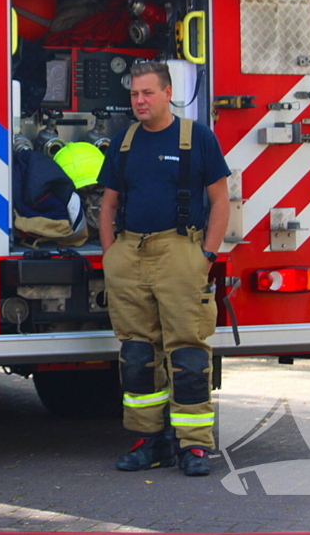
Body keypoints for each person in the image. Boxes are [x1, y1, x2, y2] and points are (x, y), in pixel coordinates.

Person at [97, 61, 230, 477]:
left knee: (188, 353)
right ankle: (147, 442)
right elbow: (108, 205)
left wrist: (206, 256)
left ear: (167, 92)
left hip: (180, 254)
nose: (139, 101)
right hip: (130, 254)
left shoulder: (197, 138)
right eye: (134, 94)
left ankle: (193, 447)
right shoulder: (123, 143)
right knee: (137, 354)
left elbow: (221, 201)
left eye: (148, 93)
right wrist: (110, 255)